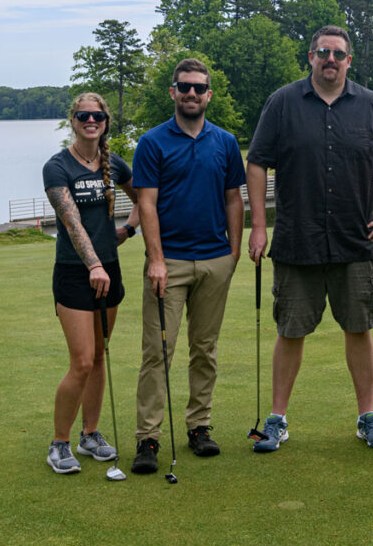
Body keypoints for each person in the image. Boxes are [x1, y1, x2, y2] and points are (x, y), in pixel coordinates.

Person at [246, 25, 373, 452]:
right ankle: (277, 419)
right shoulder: (282, 103)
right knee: (291, 330)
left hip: (356, 241)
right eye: (323, 52)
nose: (330, 60)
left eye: (338, 53)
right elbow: (258, 162)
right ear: (311, 57)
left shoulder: (372, 106)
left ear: (349, 61)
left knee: (359, 329)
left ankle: (367, 417)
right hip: (297, 240)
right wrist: (260, 225)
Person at [130, 59, 245, 474]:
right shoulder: (152, 142)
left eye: (199, 88)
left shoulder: (225, 142)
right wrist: (156, 259)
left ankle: (199, 427)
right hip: (170, 265)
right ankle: (148, 437)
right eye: (185, 87)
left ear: (208, 94)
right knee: (157, 353)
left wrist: (232, 254)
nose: (191, 94)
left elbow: (234, 198)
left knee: (205, 351)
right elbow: (146, 203)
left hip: (215, 260)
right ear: (173, 92)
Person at [43, 92, 140, 474]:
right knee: (82, 361)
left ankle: (90, 434)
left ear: (105, 122)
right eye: (84, 115)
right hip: (74, 273)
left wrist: (129, 230)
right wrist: (94, 264)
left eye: (97, 116)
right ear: (73, 120)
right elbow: (72, 222)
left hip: (110, 271)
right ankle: (59, 442)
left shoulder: (114, 163)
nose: (90, 121)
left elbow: (146, 198)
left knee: (100, 356)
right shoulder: (57, 166)